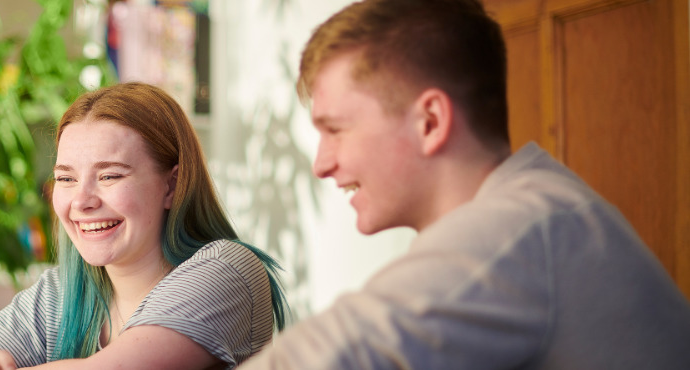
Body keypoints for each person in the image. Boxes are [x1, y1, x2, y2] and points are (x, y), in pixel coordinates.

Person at [239, 0, 690, 368]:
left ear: (430, 122)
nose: (321, 164)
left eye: (335, 129)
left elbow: (325, 357)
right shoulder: (539, 205)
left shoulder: (522, 228)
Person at [0, 82, 291, 370]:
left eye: (110, 175)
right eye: (66, 179)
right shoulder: (65, 291)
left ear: (172, 185)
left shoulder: (227, 270)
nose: (82, 201)